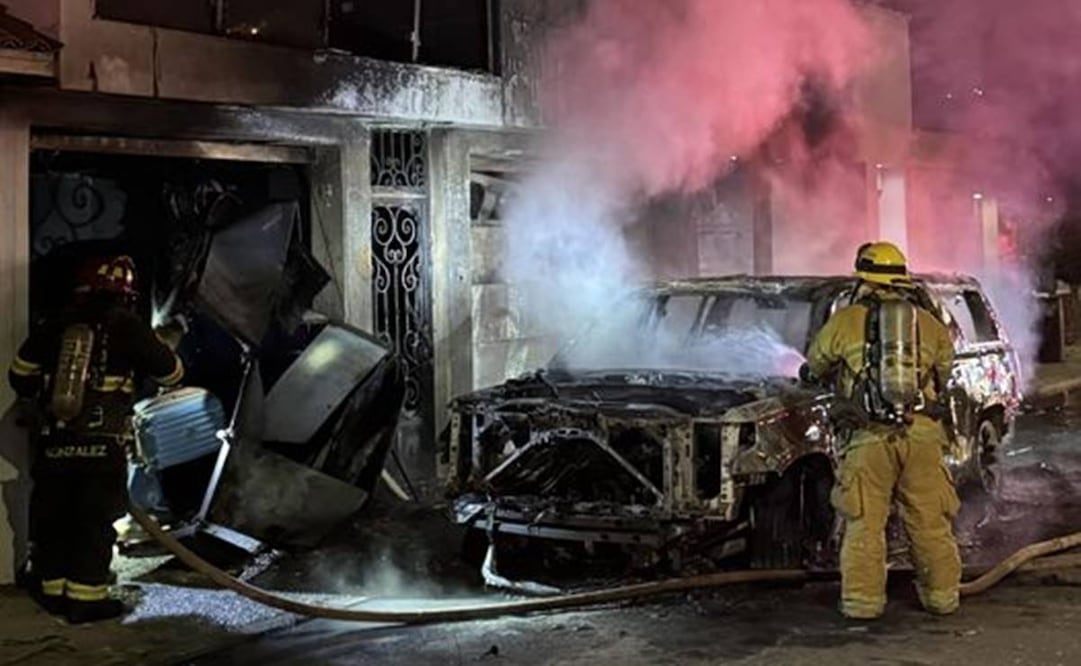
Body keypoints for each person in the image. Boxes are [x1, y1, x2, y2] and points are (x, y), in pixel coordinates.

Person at [7, 255, 184, 624]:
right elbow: (171, 373)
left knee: (54, 520)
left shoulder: (56, 324)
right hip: (101, 446)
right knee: (93, 521)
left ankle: (53, 594)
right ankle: (86, 600)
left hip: (54, 442)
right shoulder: (128, 325)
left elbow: (19, 375)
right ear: (126, 295)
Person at [801, 241, 961, 620]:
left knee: (864, 522)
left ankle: (862, 605)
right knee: (929, 521)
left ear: (863, 277)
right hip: (922, 437)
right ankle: (942, 598)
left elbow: (816, 364)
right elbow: (945, 369)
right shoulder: (930, 324)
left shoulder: (846, 320)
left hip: (868, 438)